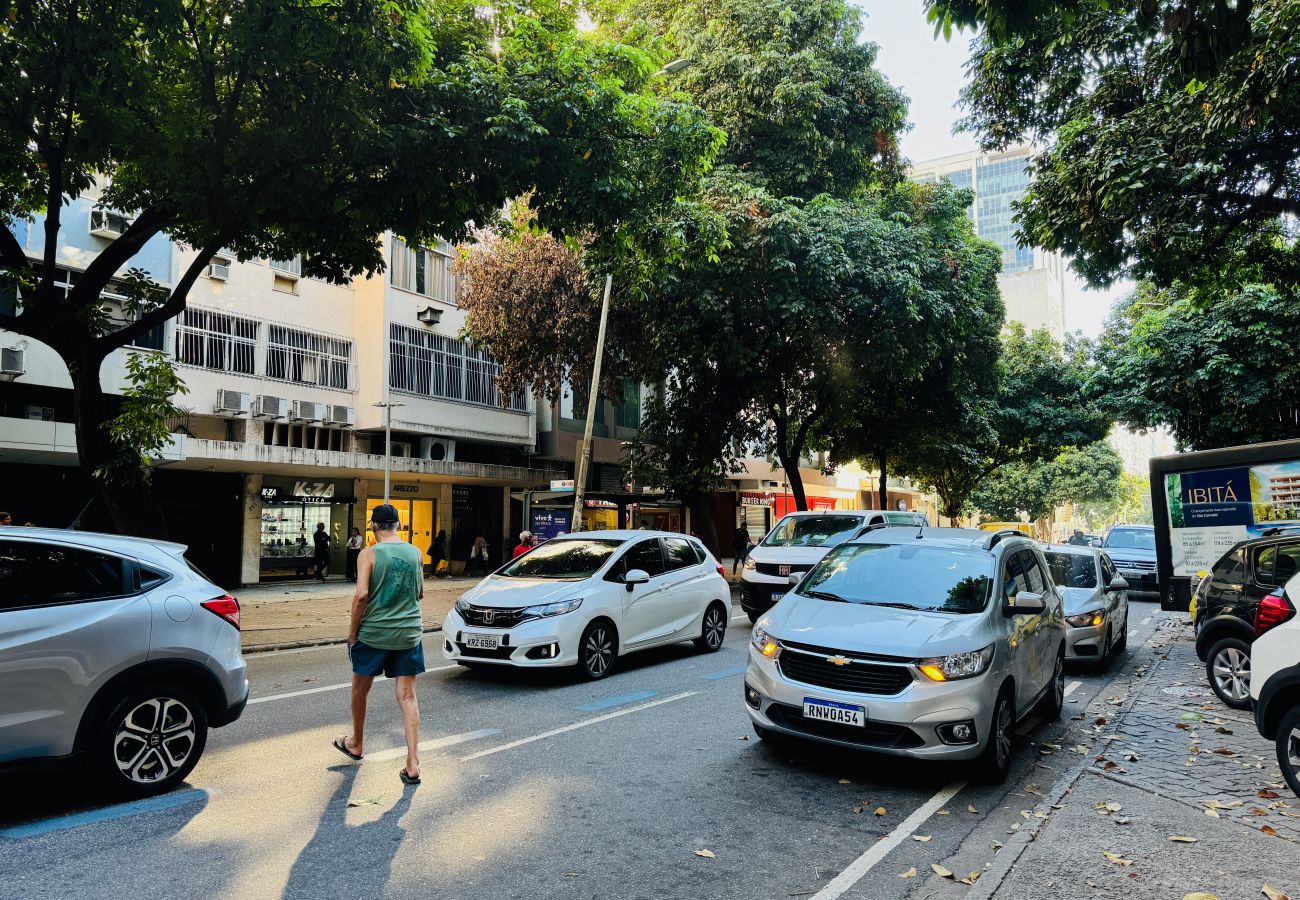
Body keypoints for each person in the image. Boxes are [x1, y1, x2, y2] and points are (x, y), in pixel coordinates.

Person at [333, 503, 426, 785]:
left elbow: (361, 595)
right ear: (398, 525)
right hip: (409, 632)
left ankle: (356, 743)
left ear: (374, 526)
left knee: (361, 689)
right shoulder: (415, 553)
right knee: (407, 696)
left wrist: (352, 634)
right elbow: (419, 593)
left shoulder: (368, 554)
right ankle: (412, 763)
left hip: (374, 633)